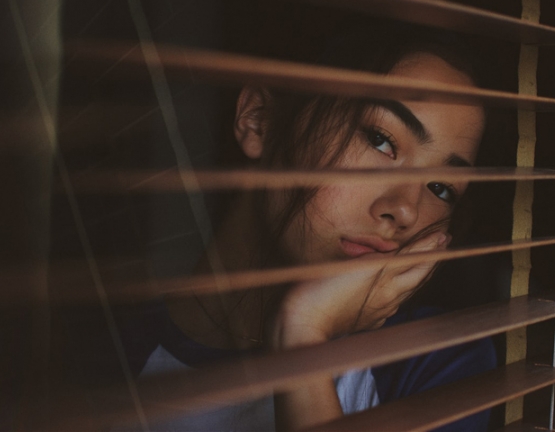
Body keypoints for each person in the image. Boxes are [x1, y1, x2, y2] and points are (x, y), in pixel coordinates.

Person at [137, 24, 497, 431]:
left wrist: (302, 332)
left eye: (441, 188)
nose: (405, 211)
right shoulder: (110, 352)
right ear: (259, 120)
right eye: (380, 140)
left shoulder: (435, 363)